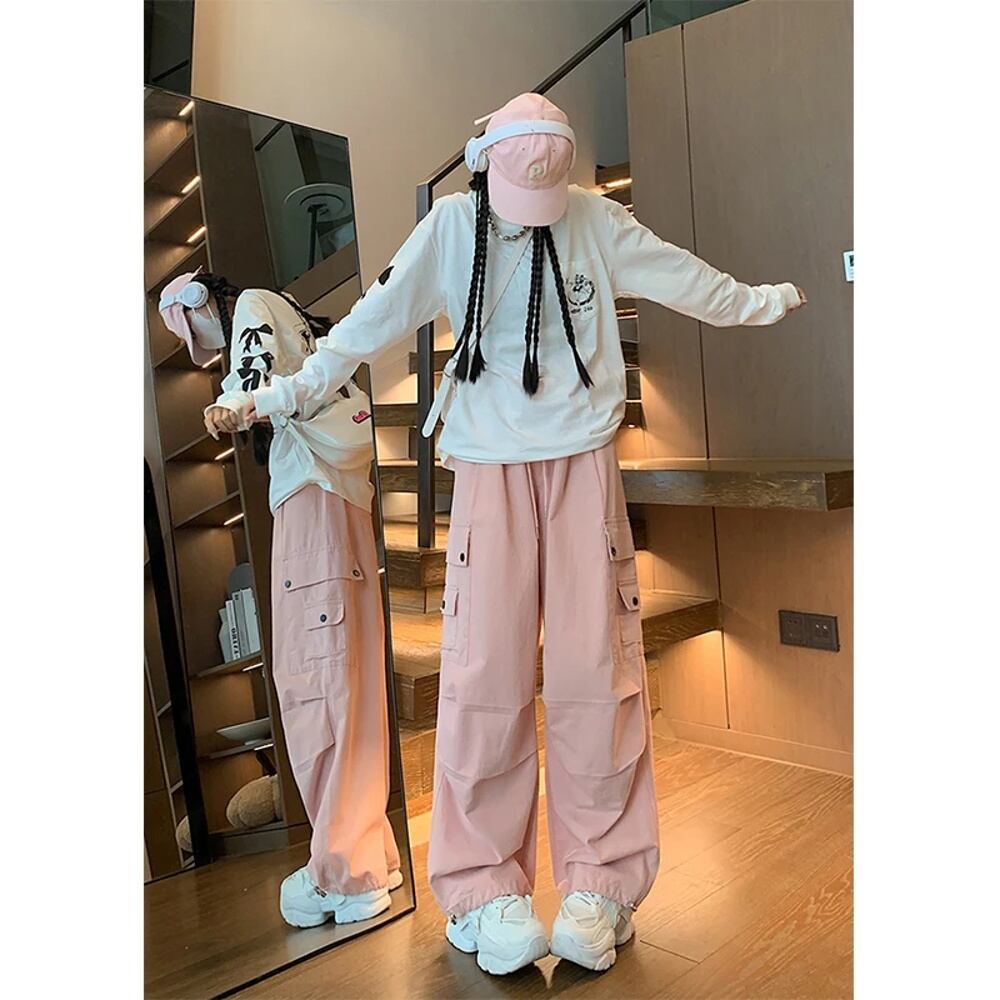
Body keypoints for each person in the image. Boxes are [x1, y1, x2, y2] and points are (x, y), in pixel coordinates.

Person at [239, 92, 806, 974]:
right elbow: (366, 326)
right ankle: (482, 889)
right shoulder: (451, 228)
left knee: (598, 676)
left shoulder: (595, 219)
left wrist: (761, 302)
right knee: (482, 680)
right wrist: (287, 391)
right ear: (485, 168)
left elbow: (680, 274)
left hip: (584, 467)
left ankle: (601, 883)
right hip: (488, 474)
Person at [158, 270, 403, 927]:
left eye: (193, 331)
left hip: (310, 503)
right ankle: (368, 853)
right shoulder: (293, 317)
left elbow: (253, 366)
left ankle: (345, 872)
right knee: (346, 682)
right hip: (339, 503)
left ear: (201, 307)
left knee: (312, 684)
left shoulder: (252, 309)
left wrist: (232, 404)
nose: (202, 345)